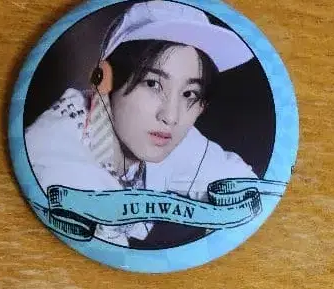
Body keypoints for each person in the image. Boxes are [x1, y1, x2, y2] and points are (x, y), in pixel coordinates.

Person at [25, 1, 259, 246]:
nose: (171, 116)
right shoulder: (55, 159)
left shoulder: (157, 133)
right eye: (153, 84)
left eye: (189, 93)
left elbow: (244, 186)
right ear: (104, 79)